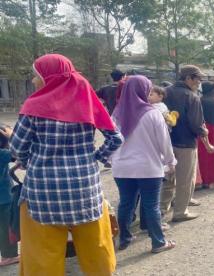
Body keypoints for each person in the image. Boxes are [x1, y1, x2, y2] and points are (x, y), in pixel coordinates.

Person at [9, 54, 122, 276]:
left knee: (43, 254)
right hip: (85, 190)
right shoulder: (87, 100)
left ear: (48, 77)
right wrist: (95, 157)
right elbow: (115, 138)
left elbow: (17, 148)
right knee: (96, 248)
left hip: (43, 193)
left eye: (36, 76)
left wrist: (25, 159)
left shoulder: (34, 106)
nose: (33, 81)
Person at [111, 75, 176, 253]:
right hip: (148, 167)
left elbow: (112, 142)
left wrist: (111, 160)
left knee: (126, 203)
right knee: (151, 205)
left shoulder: (116, 114)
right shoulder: (153, 113)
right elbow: (164, 142)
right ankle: (158, 242)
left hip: (122, 168)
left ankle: (124, 238)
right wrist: (170, 161)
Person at [161, 65, 209, 223]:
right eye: (198, 79)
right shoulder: (192, 96)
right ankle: (180, 211)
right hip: (186, 143)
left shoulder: (165, 92)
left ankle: (162, 208)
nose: (199, 82)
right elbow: (196, 123)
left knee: (168, 177)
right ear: (188, 78)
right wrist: (204, 134)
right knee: (185, 179)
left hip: (166, 142)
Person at [0, 126, 19, 267]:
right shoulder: (3, 154)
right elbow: (19, 153)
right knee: (6, 227)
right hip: (4, 198)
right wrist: (12, 136)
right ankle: (8, 256)